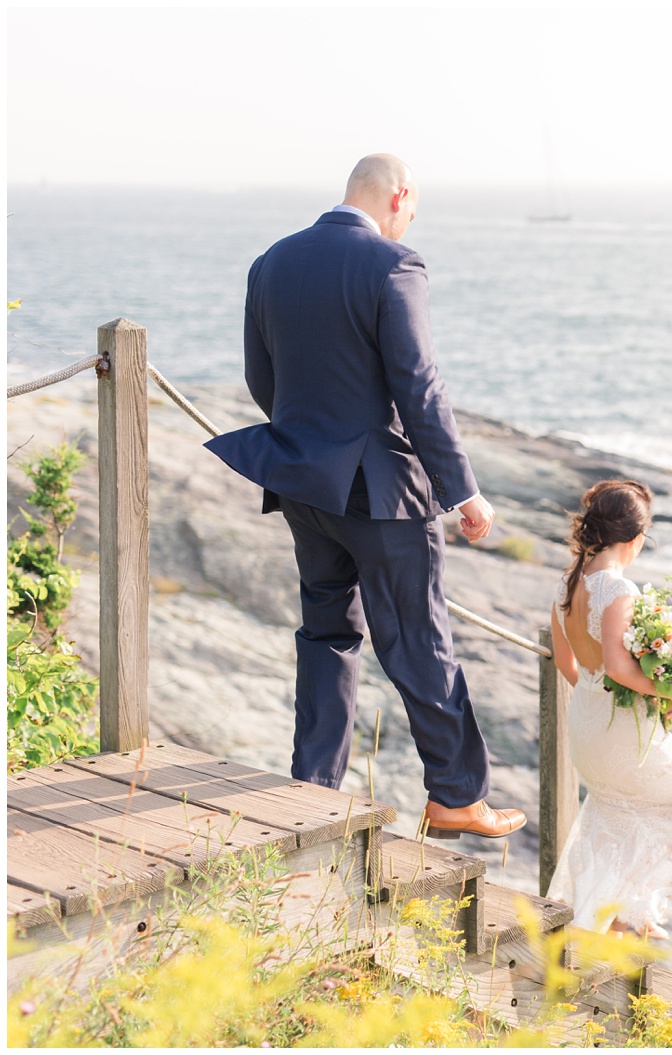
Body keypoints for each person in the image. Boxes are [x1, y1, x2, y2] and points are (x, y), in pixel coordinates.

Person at [204, 153, 524, 840]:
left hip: (302, 481)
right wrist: (463, 490)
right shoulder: (393, 265)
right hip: (380, 491)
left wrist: (312, 440)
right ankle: (456, 795)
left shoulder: (272, 262)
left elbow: (263, 379)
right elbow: (421, 387)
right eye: (410, 211)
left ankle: (311, 789)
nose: (406, 223)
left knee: (326, 633)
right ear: (399, 196)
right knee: (416, 635)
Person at [546, 480, 672, 938]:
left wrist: (597, 696)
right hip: (617, 731)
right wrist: (667, 693)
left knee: (617, 815)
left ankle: (617, 916)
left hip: (587, 727)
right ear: (636, 538)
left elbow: (566, 662)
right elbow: (618, 667)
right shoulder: (617, 588)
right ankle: (638, 910)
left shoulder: (566, 584)